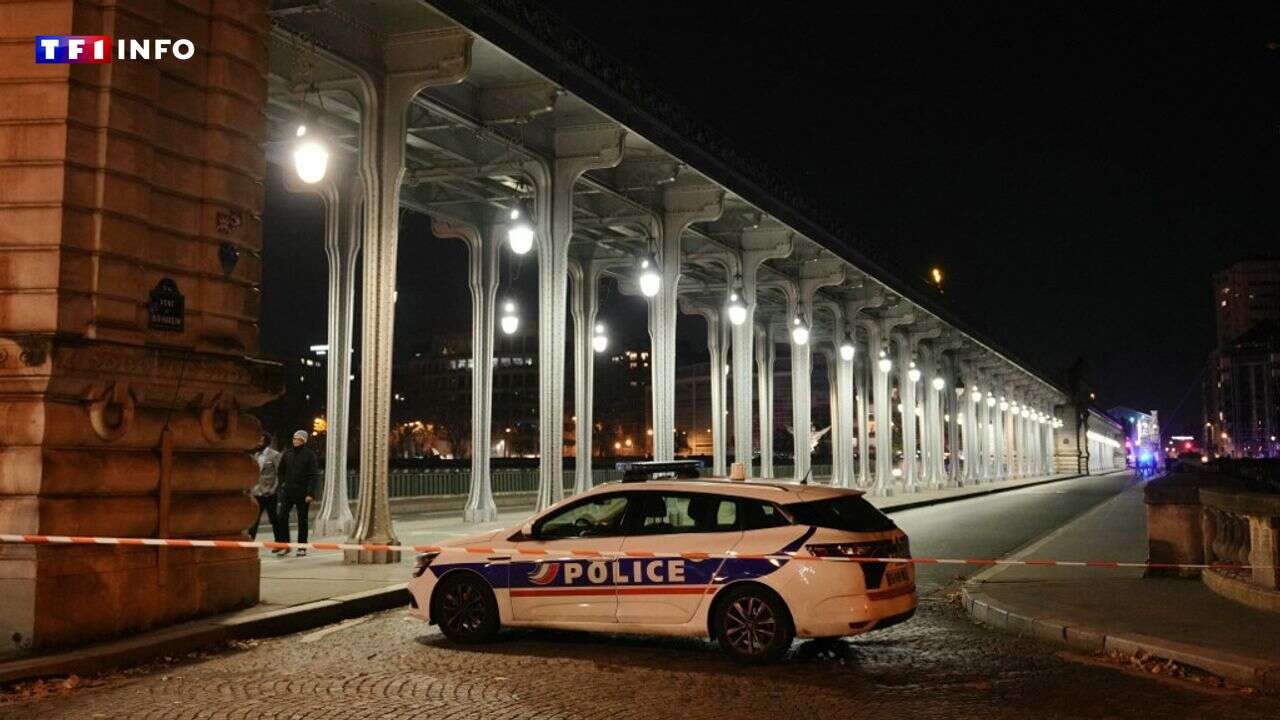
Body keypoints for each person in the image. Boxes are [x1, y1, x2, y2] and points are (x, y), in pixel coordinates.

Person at [275, 429, 321, 557]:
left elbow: (313, 475)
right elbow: (281, 471)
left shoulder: (309, 455)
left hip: (302, 493)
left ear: (303, 441)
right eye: (294, 438)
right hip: (288, 491)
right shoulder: (287, 454)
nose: (295, 440)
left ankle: (302, 547)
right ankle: (285, 545)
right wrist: (282, 483)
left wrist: (310, 493)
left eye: (298, 439)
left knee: (302, 519)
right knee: (282, 516)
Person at [249, 433, 281, 542]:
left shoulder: (274, 455)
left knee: (274, 519)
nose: (258, 443)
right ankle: (250, 541)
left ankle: (280, 542)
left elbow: (279, 474)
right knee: (254, 519)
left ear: (266, 442)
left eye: (261, 441)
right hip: (257, 492)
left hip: (269, 493)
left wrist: (273, 489)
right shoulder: (256, 455)